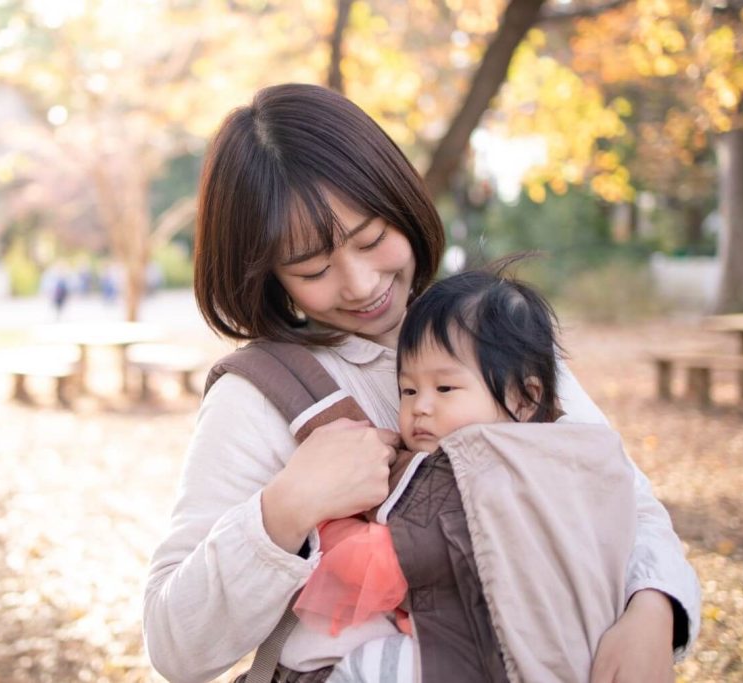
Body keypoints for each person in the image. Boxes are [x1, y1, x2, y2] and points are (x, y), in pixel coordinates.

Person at [143, 83, 700, 683]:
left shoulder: (487, 330)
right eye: (313, 269)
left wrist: (653, 609)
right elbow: (174, 644)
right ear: (271, 275)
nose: (358, 284)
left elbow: (620, 495)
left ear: (401, 203)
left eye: (372, 239)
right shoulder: (258, 394)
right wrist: (285, 508)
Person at [298, 262, 636, 683]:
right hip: (563, 653)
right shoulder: (573, 455)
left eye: (445, 389)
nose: (421, 406)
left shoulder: (468, 474)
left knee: (368, 666)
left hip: (479, 659)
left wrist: (326, 520)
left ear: (525, 398)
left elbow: (378, 563)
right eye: (408, 390)